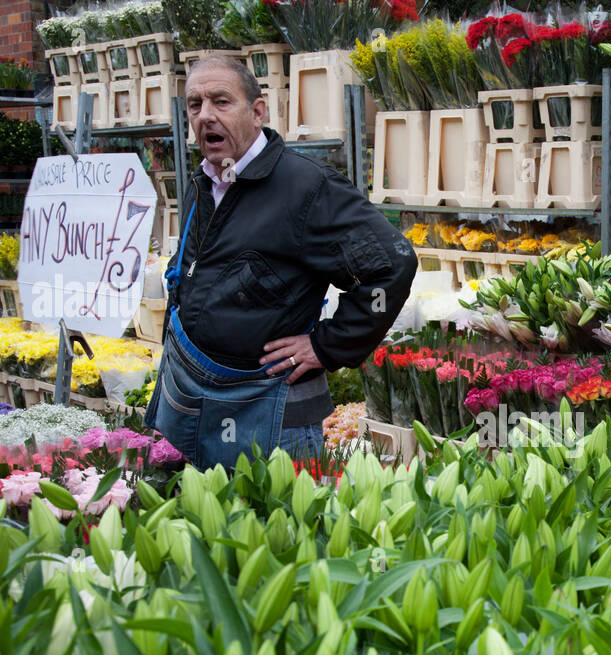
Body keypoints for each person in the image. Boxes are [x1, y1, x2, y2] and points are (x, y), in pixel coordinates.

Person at [143, 55, 417, 471]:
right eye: (195, 104)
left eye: (221, 101)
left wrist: (329, 345)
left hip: (267, 416)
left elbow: (394, 264)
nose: (206, 116)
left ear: (257, 112)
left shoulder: (306, 188)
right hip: (192, 400)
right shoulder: (206, 179)